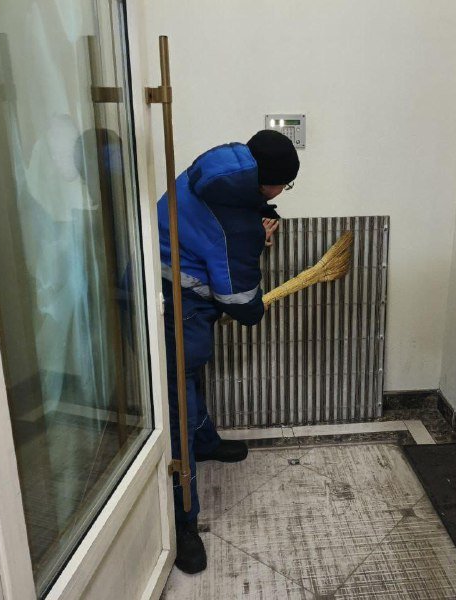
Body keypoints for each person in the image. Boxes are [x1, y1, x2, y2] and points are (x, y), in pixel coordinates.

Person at [157, 130, 300, 573]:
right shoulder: (235, 227)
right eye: (284, 186)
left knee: (191, 374)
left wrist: (260, 218)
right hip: (172, 304)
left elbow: (219, 219)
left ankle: (205, 443)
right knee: (178, 405)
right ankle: (183, 522)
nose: (282, 193)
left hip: (171, 285)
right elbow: (240, 301)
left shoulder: (221, 167)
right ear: (267, 182)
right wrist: (257, 307)